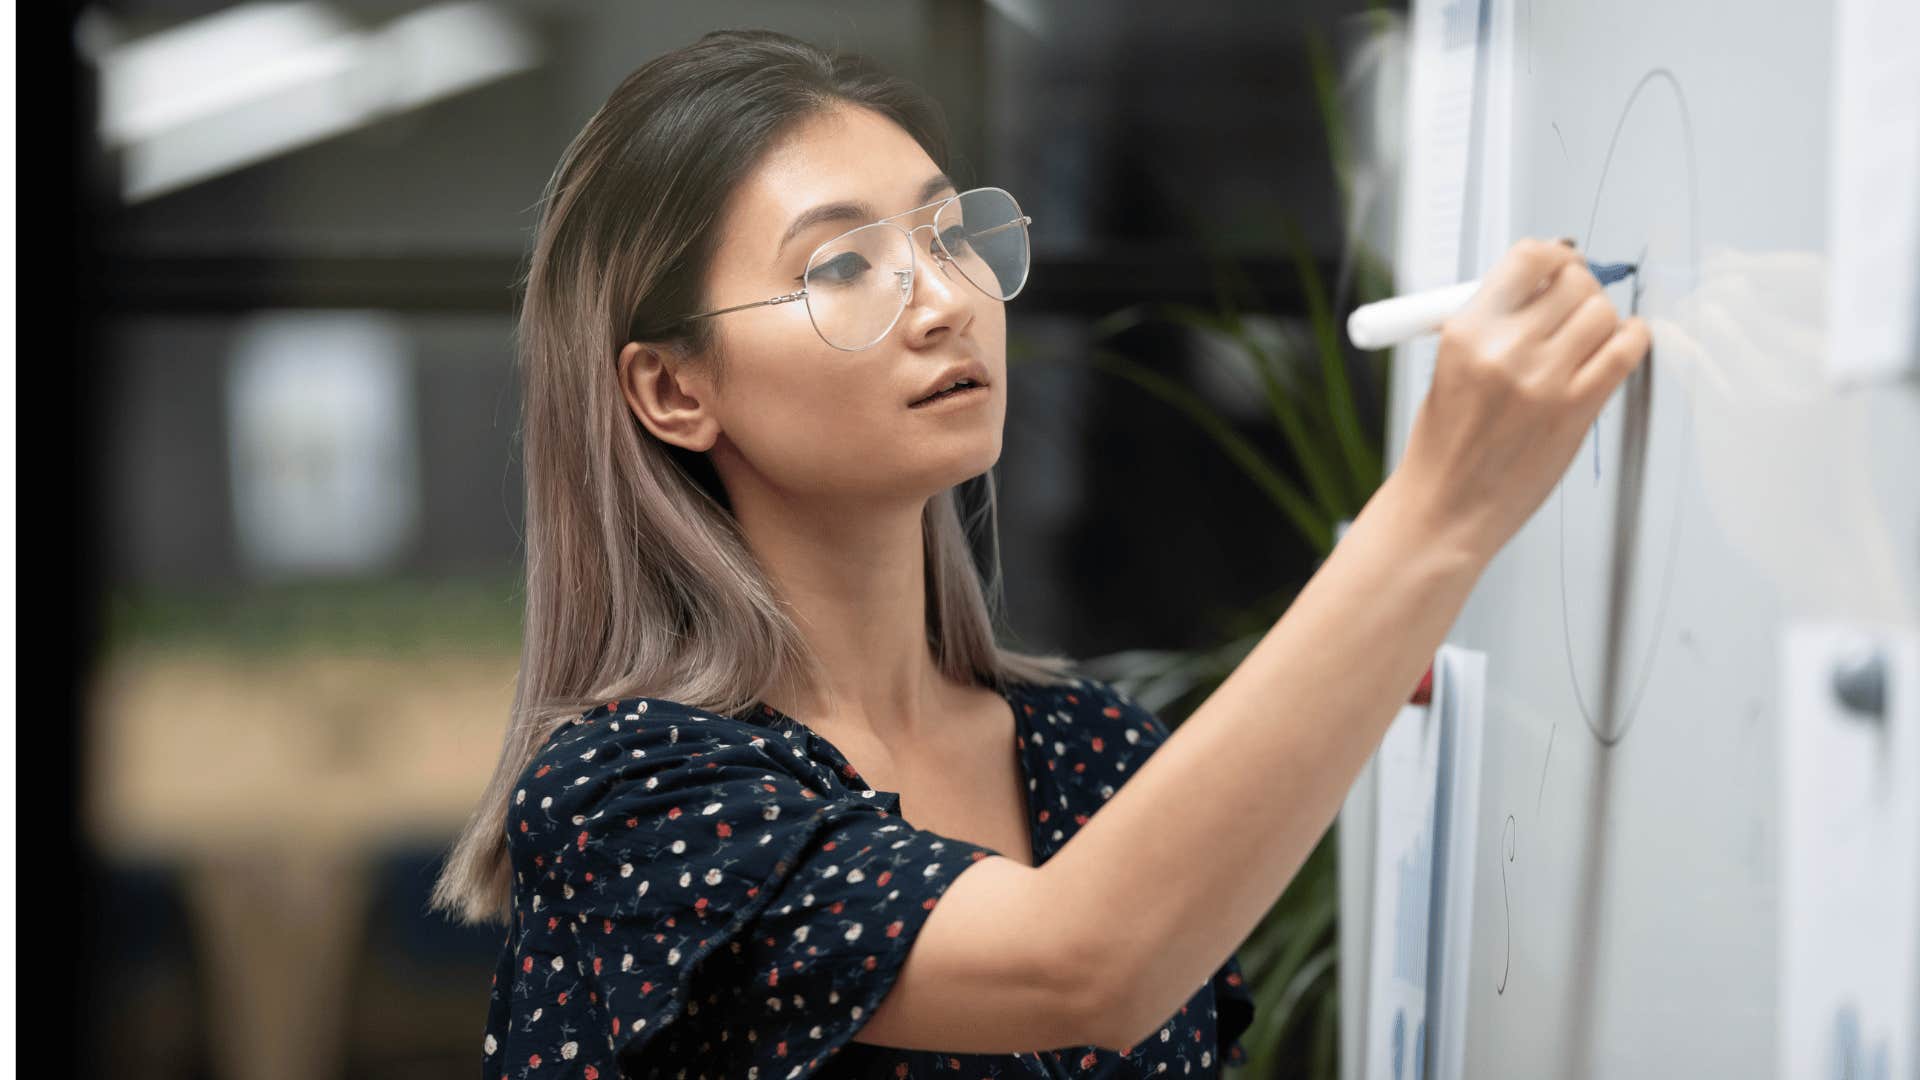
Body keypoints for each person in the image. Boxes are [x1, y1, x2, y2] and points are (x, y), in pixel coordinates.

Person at [430, 27, 1651, 1080]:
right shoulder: (630, 795)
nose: (948, 299)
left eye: (952, 236)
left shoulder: (1091, 753)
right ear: (672, 387)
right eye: (845, 265)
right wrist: (1439, 508)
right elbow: (1086, 961)